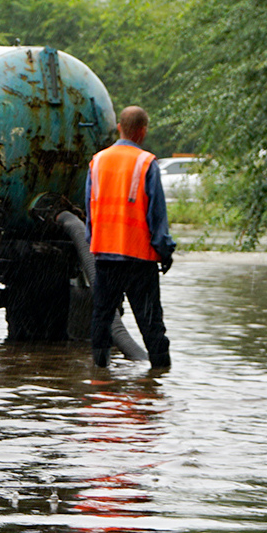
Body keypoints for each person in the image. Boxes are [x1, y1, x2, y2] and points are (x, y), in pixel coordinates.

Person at [85, 106, 175, 370]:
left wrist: (95, 245)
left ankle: (100, 380)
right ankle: (159, 380)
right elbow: (157, 217)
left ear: (119, 128)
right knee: (151, 324)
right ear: (143, 131)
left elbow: (90, 212)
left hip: (105, 256)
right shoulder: (146, 163)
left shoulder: (97, 162)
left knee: (101, 318)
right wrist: (165, 252)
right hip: (139, 259)